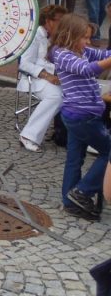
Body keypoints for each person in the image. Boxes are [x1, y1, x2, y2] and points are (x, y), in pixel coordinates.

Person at [49, 13, 111, 221]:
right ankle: (82, 192)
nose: (88, 42)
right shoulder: (62, 54)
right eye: (84, 37)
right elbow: (87, 70)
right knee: (108, 151)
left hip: (79, 116)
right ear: (70, 35)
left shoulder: (81, 50)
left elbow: (102, 54)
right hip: (82, 117)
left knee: (74, 159)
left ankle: (70, 203)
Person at [18, 4, 68, 152]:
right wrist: (46, 75)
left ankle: (64, 134)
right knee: (56, 96)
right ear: (48, 21)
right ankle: (28, 135)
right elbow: (24, 64)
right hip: (36, 78)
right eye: (60, 21)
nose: (63, 25)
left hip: (54, 77)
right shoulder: (34, 36)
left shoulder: (57, 37)